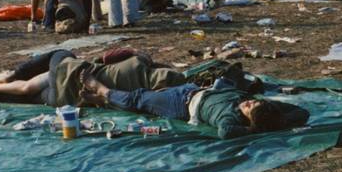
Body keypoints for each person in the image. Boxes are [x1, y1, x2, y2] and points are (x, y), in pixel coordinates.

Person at [79, 70, 309, 140]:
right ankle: (105, 101)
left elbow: (226, 132)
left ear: (248, 119)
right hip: (192, 90)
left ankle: (102, 90)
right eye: (253, 103)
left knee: (139, 98)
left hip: (180, 105)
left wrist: (254, 129)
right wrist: (277, 118)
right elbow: (302, 112)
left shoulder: (228, 117)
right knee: (146, 97)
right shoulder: (262, 107)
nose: (248, 103)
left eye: (249, 108)